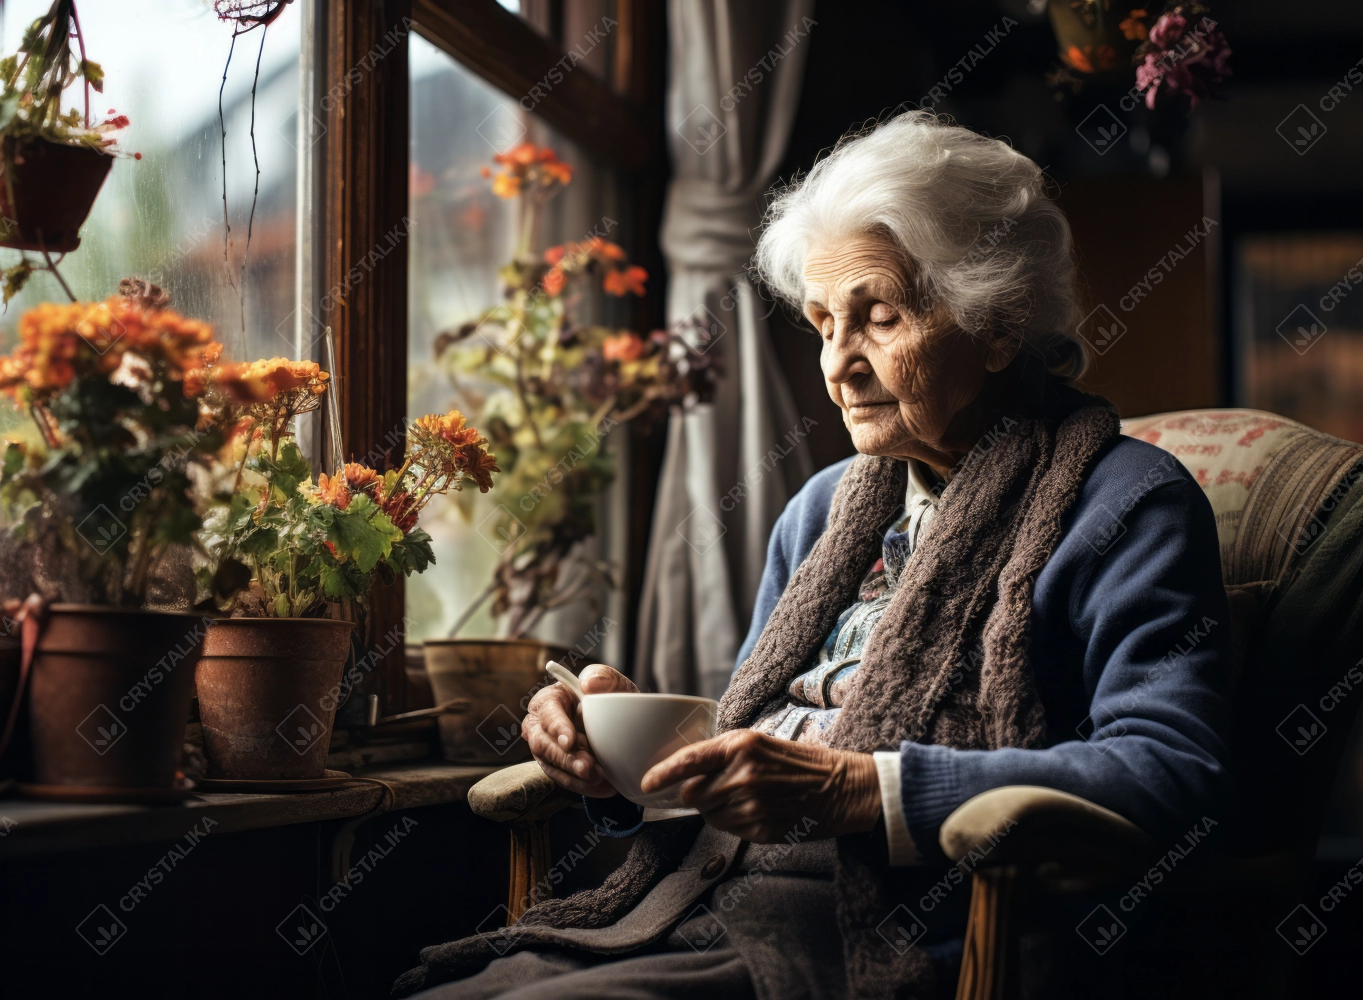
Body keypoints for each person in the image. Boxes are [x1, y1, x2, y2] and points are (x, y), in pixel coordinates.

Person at [395, 111, 1233, 1000]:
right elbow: (759, 742)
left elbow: (1172, 770)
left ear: (998, 325)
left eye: (879, 319)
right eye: (824, 321)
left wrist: (861, 791)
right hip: (689, 902)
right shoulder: (824, 507)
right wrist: (622, 752)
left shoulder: (1128, 504)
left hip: (877, 935)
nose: (840, 364)